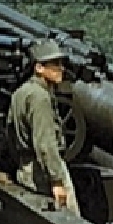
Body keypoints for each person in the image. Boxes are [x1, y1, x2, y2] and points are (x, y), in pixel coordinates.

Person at [8, 39, 80, 214]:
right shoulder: (40, 97)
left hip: (26, 168)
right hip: (43, 172)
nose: (61, 68)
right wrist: (57, 180)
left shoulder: (21, 93)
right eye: (54, 64)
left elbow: (10, 131)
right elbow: (45, 143)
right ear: (39, 68)